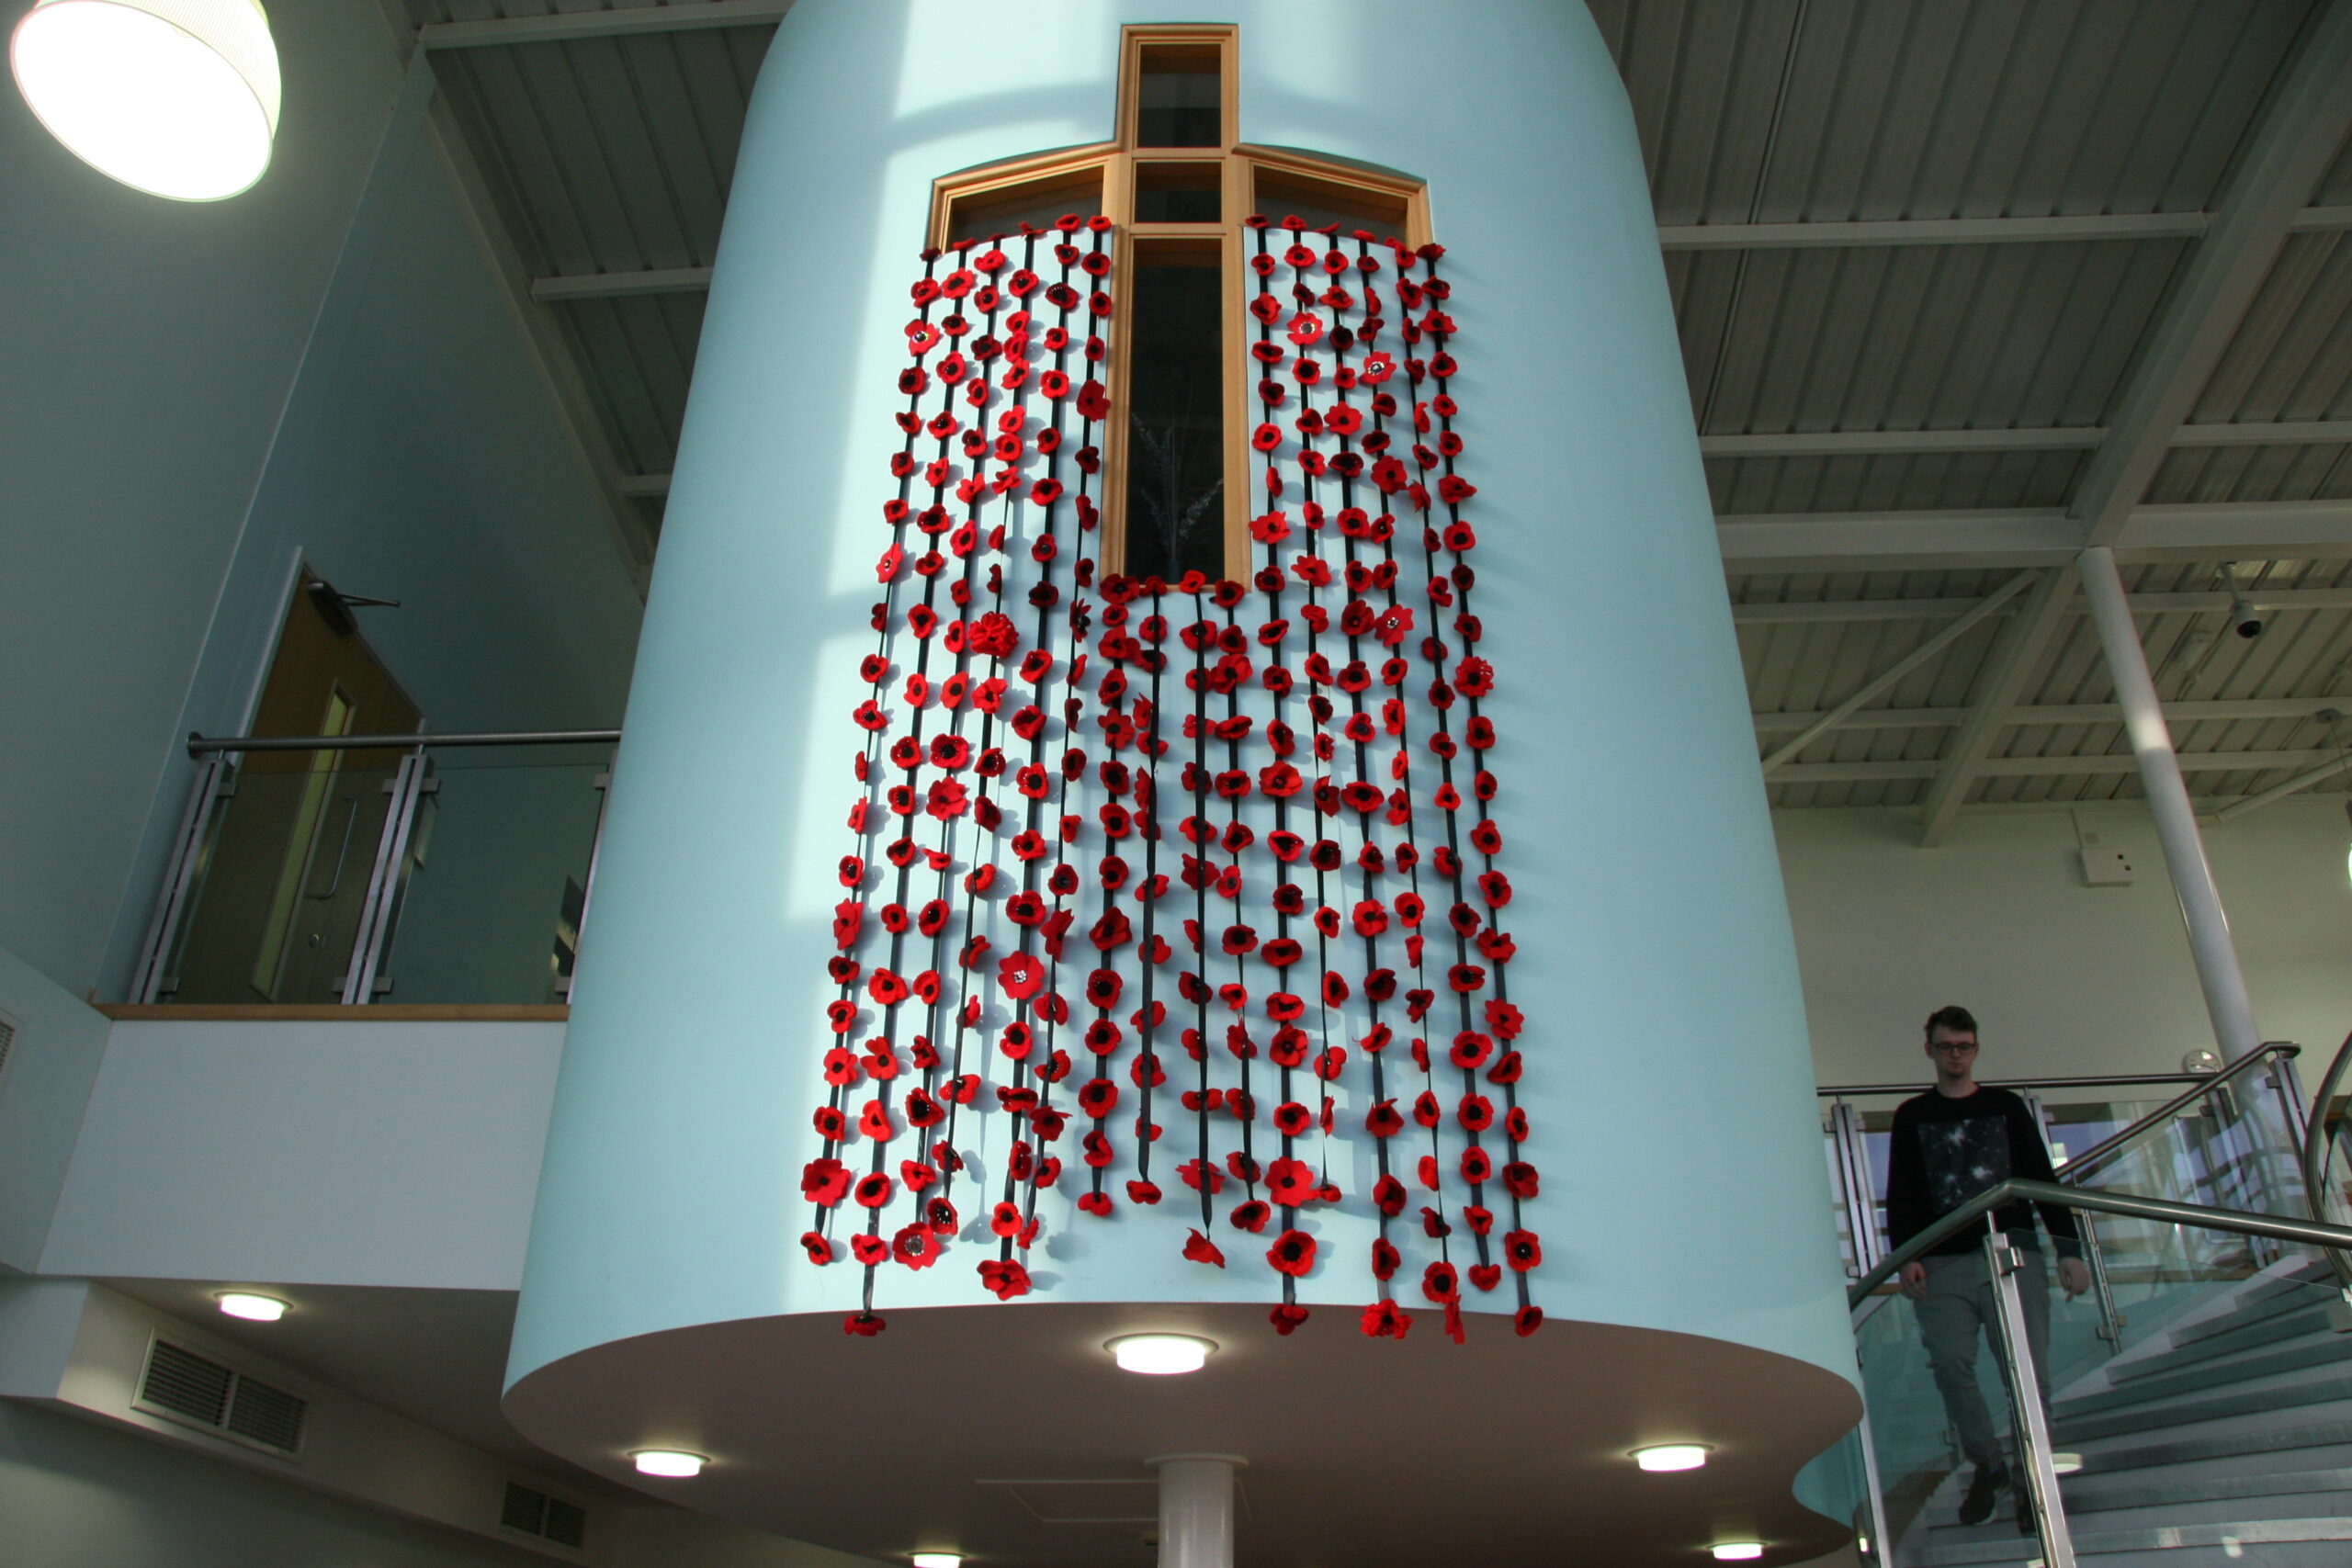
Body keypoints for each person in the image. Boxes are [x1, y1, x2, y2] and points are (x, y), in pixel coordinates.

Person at [1883, 1006, 2092, 1531]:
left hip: (2012, 1254)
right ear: (1929, 1049)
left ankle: (2032, 1479)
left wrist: (2069, 1249)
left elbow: (2040, 1177)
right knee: (1949, 1364)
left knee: (2028, 1374)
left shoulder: (2006, 1107)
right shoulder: (1912, 1115)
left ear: (1976, 1049)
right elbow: (1900, 1190)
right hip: (1942, 1259)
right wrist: (1906, 1255)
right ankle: (1989, 1464)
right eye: (1946, 1046)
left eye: (1964, 1046)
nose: (1955, 1055)